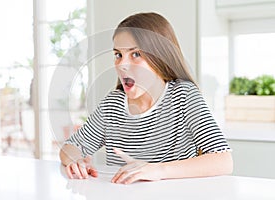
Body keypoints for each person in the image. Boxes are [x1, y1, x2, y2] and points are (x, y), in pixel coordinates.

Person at [59, 12, 233, 184]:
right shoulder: (113, 104)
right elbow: (71, 147)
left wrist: (156, 169)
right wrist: (75, 161)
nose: (122, 64)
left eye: (135, 54)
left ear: (160, 56)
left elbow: (223, 160)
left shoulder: (183, 96)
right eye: (118, 54)